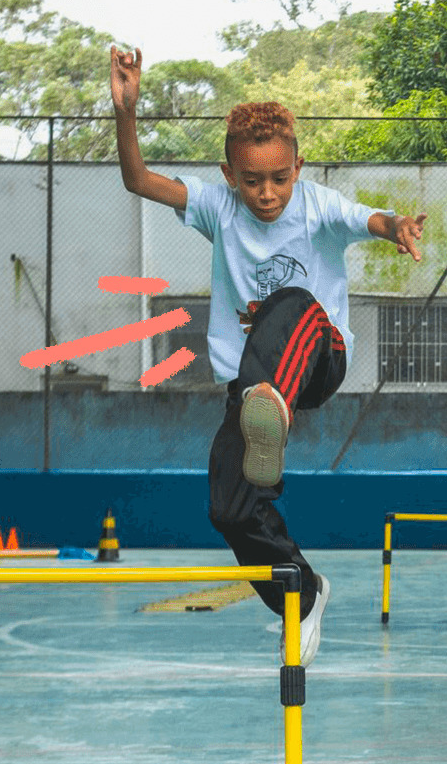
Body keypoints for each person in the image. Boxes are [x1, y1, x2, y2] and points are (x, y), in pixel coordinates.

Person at [109, 46, 427, 664]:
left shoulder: (319, 207)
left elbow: (375, 220)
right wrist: (126, 112)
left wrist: (399, 229)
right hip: (249, 382)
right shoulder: (216, 207)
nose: (266, 193)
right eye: (251, 180)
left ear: (298, 168)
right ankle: (302, 596)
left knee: (289, 301)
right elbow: (137, 180)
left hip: (318, 356)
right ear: (228, 175)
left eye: (279, 178)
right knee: (228, 508)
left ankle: (270, 406)